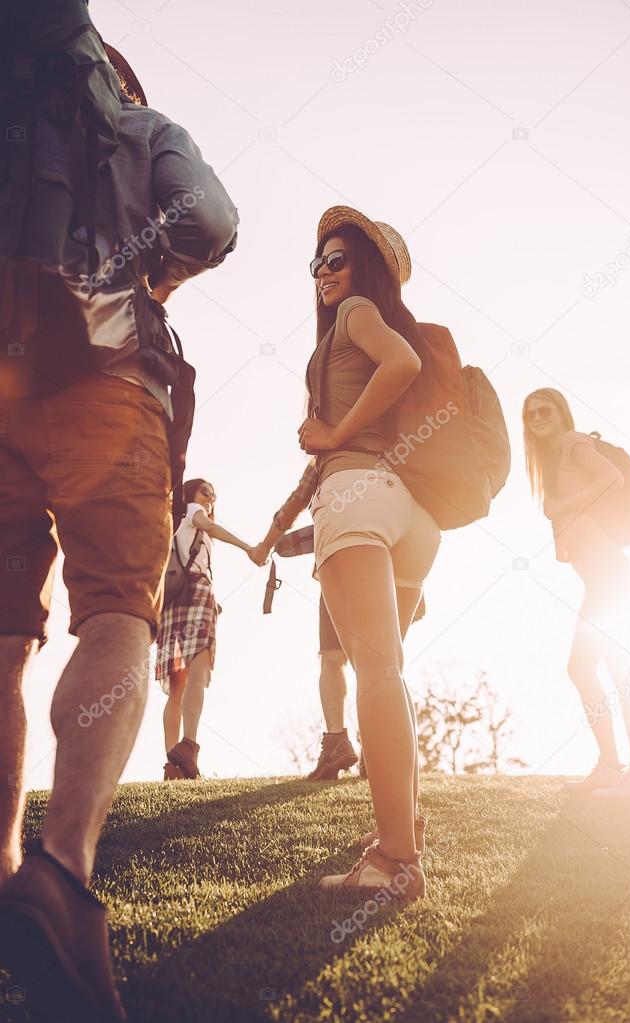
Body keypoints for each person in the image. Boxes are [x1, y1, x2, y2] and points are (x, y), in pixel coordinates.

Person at [0, 14, 238, 1019]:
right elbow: (212, 224)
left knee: (4, 639)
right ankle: (61, 864)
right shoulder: (141, 130)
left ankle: (4, 865)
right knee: (115, 613)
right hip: (108, 380)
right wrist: (146, 277)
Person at [290, 206, 443, 898]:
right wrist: (285, 525)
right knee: (389, 674)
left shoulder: (355, 315)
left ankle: (394, 859)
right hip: (410, 510)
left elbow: (401, 365)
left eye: (338, 258)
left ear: (365, 271)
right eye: (318, 260)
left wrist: (336, 433)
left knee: (374, 673)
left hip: (357, 492)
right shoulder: (353, 329)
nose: (324, 271)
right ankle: (400, 829)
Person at [523, 388, 630, 802]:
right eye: (530, 414)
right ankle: (619, 768)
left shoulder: (572, 442)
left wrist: (562, 507)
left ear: (562, 413)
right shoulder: (556, 457)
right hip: (602, 577)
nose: (537, 417)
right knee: (600, 670)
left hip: (608, 575)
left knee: (595, 669)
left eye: (545, 409)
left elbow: (610, 479)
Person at [252, 491, 426, 782]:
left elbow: (295, 502)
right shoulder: (389, 459)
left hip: (342, 565)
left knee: (337, 660)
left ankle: (342, 742)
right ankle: (373, 747)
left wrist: (267, 545)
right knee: (381, 662)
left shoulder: (326, 462)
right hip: (382, 568)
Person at [158, 478, 254, 780]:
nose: (211, 498)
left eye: (214, 494)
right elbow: (210, 527)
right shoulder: (192, 511)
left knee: (177, 687)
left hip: (171, 601)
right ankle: (188, 746)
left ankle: (173, 764)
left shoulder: (176, 523)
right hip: (197, 593)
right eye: (206, 491)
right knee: (199, 671)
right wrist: (248, 547)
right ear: (191, 494)